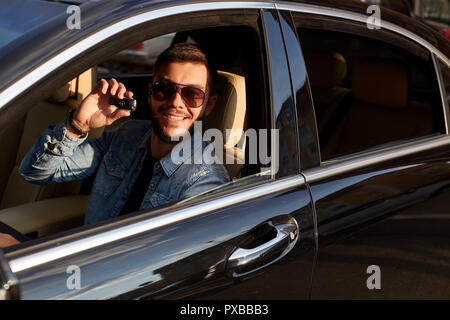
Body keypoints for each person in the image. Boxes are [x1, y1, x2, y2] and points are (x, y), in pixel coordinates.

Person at [0, 43, 230, 248]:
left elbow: (161, 268)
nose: (175, 103)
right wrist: (78, 125)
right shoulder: (127, 136)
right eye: (165, 89)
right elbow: (33, 172)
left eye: (192, 94)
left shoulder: (205, 181)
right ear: (150, 93)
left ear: (208, 106)